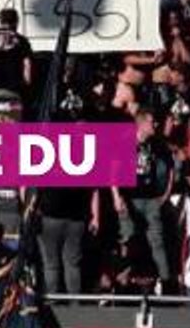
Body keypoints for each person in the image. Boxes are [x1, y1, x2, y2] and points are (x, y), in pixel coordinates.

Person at [112, 110, 175, 288]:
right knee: (129, 238)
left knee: (157, 240)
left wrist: (166, 194)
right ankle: (123, 281)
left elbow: (170, 168)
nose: (155, 124)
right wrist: (117, 196)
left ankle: (165, 282)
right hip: (129, 198)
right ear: (141, 124)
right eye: (152, 121)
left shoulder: (157, 145)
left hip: (151, 199)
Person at [36, 187, 100, 294]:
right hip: (75, 218)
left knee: (51, 265)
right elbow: (95, 189)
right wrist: (96, 217)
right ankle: (74, 303)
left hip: (51, 217)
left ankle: (52, 301)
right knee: (72, 265)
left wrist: (31, 210)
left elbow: (28, 184)